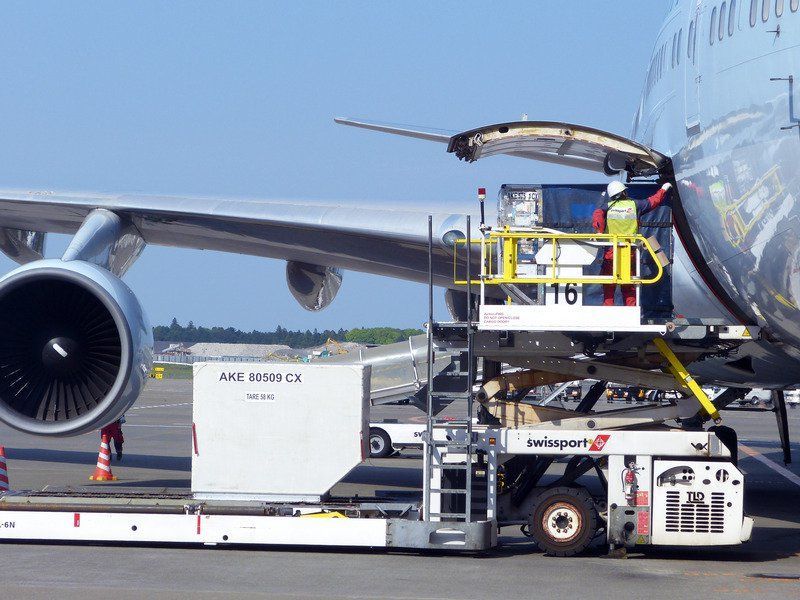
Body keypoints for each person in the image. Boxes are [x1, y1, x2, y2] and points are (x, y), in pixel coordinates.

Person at [592, 181, 672, 306]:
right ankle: (630, 311)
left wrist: (599, 231)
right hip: (629, 251)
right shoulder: (635, 205)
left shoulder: (606, 207)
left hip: (611, 252)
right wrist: (664, 189)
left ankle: (608, 311)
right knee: (628, 284)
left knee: (609, 284)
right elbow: (653, 201)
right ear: (623, 192)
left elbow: (598, 216)